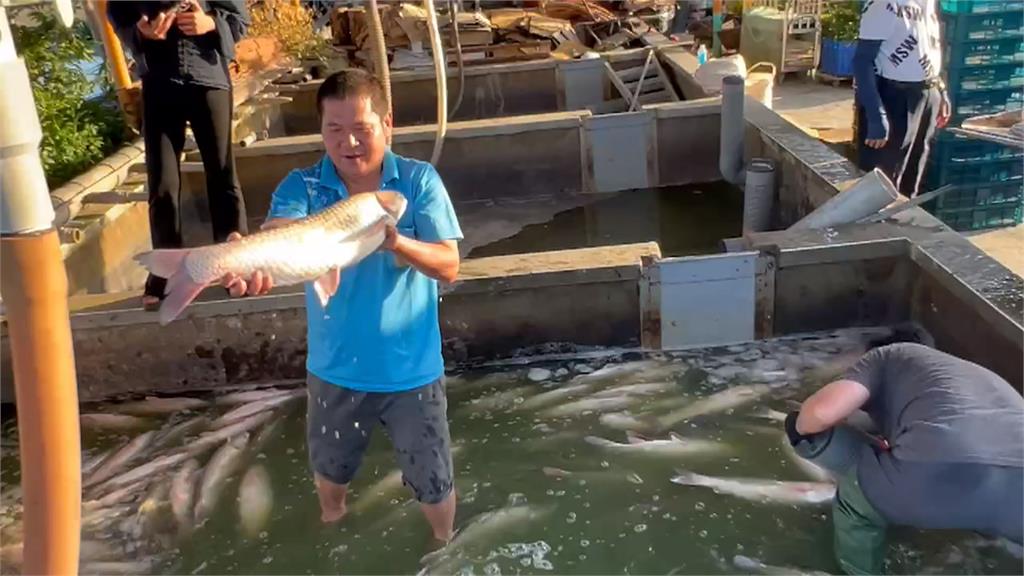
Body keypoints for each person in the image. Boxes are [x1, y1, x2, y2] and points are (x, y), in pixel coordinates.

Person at [220, 69, 462, 543]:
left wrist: (395, 242)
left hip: (411, 371)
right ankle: (333, 528)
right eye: (334, 130)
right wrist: (247, 259)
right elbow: (278, 235)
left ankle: (444, 546)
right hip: (334, 370)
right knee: (330, 473)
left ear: (386, 125)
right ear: (322, 131)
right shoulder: (303, 185)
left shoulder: (417, 181)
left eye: (362, 129)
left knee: (435, 484)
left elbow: (449, 265)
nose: (349, 142)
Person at [784, 326, 1024, 575]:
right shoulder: (961, 372)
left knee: (856, 504)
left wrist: (799, 427)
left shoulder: (885, 356)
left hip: (933, 469)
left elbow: (821, 413)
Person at [107, 0, 250, 309]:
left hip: (209, 79)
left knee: (222, 174)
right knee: (162, 184)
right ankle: (163, 273)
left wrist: (210, 23)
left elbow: (240, 19)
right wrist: (140, 32)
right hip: (159, 83)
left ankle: (235, 266)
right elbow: (117, 13)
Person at [853, 0, 951, 197]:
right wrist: (876, 115)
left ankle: (902, 222)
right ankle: (875, 227)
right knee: (882, 184)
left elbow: (928, 47)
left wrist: (940, 90)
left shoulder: (928, 3)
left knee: (912, 175)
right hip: (894, 98)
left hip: (926, 94)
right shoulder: (885, 4)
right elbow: (862, 61)